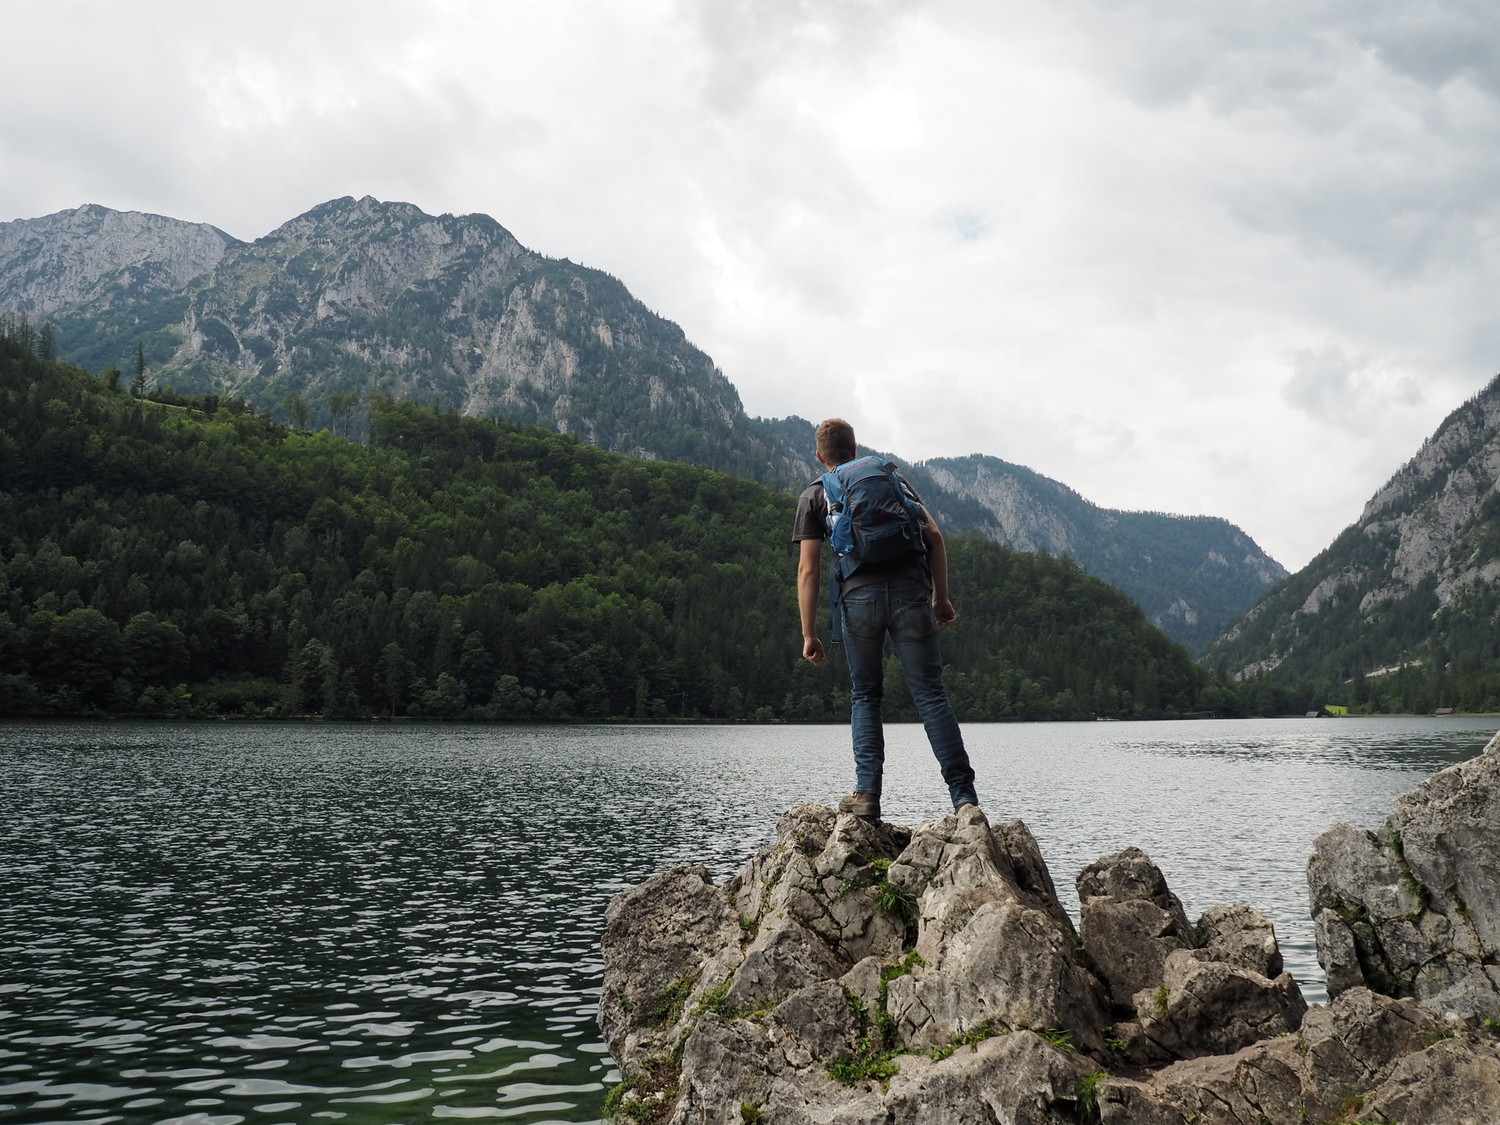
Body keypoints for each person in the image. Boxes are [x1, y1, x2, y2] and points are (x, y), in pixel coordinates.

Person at [792, 417, 979, 819]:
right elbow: (934, 537)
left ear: (820, 455)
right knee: (930, 694)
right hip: (911, 591)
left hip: (858, 599)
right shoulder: (891, 478)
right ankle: (964, 800)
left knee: (865, 694)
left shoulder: (814, 495)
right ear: (855, 449)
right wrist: (941, 597)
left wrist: (809, 633)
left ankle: (867, 795)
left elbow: (808, 569)